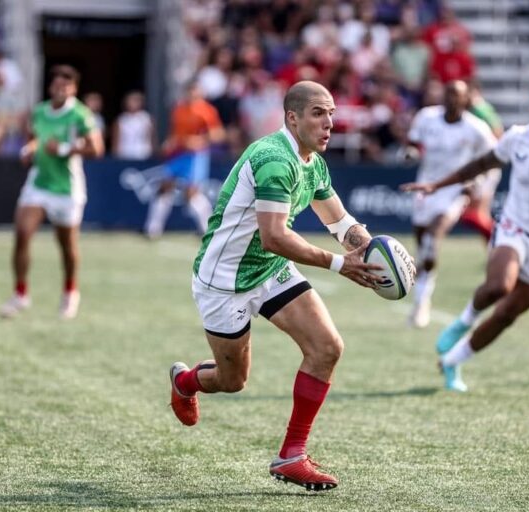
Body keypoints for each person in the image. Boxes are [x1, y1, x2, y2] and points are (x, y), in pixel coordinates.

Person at [168, 81, 389, 491]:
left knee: (327, 348)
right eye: (319, 114)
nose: (329, 124)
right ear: (293, 117)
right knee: (233, 381)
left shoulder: (313, 162)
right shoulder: (274, 158)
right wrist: (340, 264)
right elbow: (274, 236)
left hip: (270, 271)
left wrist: (375, 251)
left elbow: (340, 223)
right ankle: (185, 382)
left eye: (332, 115)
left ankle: (291, 456)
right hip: (225, 280)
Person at [401, 73, 529, 392]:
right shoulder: (518, 137)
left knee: (508, 314)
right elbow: (479, 165)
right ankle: (464, 321)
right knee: (499, 286)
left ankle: (453, 361)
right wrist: (436, 185)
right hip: (514, 225)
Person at [0, 65, 104, 320]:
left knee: (67, 246)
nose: (61, 89)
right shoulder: (39, 112)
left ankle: (70, 291)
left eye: (66, 85)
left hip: (67, 189)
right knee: (23, 233)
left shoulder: (80, 115)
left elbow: (97, 149)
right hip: (39, 184)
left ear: (74, 89)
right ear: (50, 87)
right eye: (57, 84)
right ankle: (20, 293)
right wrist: (29, 150)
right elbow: (34, 138)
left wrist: (66, 148)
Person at [403, 80, 495, 328]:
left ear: (467, 100)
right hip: (426, 187)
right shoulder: (427, 118)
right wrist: (411, 153)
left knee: (434, 237)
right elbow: (413, 142)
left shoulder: (476, 128)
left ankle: (422, 303)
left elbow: (493, 158)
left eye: (459, 95)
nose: (453, 99)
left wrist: (477, 181)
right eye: (449, 93)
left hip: (454, 192)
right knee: (422, 243)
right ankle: (421, 294)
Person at [144, 80, 224, 238]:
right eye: (190, 91)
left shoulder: (207, 111)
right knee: (164, 186)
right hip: (178, 154)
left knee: (191, 193)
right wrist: (170, 141)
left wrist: (199, 141)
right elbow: (175, 132)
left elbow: (218, 134)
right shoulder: (179, 109)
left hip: (195, 156)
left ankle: (208, 229)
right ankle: (153, 229)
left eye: (195, 91)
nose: (192, 94)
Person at [460, 81, 505, 241]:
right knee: (481, 213)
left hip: (486, 168)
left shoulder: (480, 110)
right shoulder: (476, 110)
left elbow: (498, 131)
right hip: (484, 166)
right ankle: (494, 249)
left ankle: (500, 238)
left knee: (472, 213)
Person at [111, 90, 155, 160]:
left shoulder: (147, 118)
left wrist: (153, 153)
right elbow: (116, 140)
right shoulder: (120, 120)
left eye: (137, 100)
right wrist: (115, 154)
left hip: (144, 154)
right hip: (124, 154)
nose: (134, 103)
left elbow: (152, 137)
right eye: (131, 100)